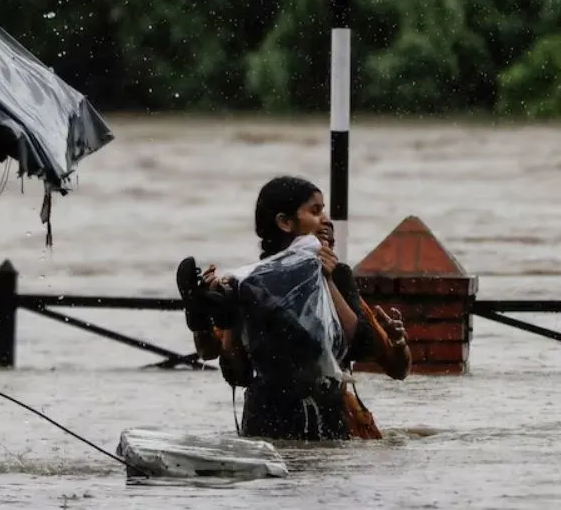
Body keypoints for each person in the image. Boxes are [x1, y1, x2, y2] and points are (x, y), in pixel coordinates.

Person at [175, 175, 411, 440]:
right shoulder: (249, 283)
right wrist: (228, 314)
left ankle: (211, 311)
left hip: (285, 422)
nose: (326, 219)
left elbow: (366, 347)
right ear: (285, 222)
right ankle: (211, 311)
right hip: (303, 422)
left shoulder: (330, 276)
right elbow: (236, 371)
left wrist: (328, 280)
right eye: (315, 211)